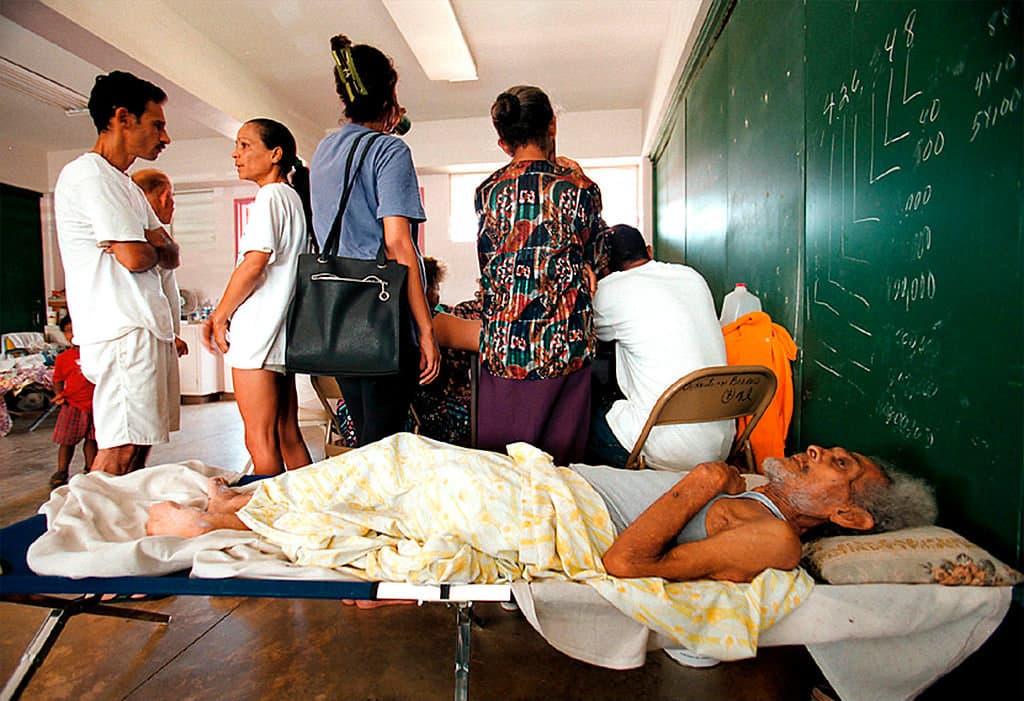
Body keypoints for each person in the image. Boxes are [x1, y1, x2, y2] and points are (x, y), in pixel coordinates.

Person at [146, 443, 936, 586]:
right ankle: (247, 504)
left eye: (839, 465)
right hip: (554, 491)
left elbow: (627, 564)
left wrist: (697, 484)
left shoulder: (775, 540)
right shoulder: (765, 498)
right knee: (400, 465)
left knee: (401, 463)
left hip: (563, 522)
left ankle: (228, 517)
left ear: (852, 518)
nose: (819, 449)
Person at [309, 34, 440, 447]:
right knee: (386, 445)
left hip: (337, 312)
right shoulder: (389, 150)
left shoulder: (325, 150)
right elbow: (398, 246)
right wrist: (426, 330)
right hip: (381, 313)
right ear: (390, 95)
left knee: (365, 437)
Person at [54, 70, 179, 476]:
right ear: (123, 118)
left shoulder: (124, 184)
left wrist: (151, 244)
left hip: (142, 327)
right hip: (120, 328)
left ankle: (113, 528)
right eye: (157, 125)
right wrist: (147, 245)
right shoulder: (88, 174)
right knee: (119, 448)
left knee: (140, 446)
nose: (165, 138)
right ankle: (84, 535)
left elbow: (169, 253)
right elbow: (133, 258)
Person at [474, 85, 606, 464]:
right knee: (560, 472)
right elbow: (597, 255)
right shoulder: (579, 188)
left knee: (503, 470)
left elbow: (489, 264)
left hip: (504, 345)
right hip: (563, 346)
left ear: (503, 143)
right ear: (552, 125)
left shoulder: (487, 192)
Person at [201, 119, 312, 475]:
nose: (236, 153)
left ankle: (269, 522)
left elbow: (254, 264)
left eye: (245, 145)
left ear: (275, 154)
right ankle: (308, 514)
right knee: (286, 434)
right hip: (279, 335)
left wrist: (219, 315)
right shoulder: (291, 198)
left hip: (257, 335)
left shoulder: (268, 197)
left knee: (259, 439)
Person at [586, 224, 733, 470]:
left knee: (580, 419)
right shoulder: (692, 276)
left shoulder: (609, 290)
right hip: (722, 443)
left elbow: (593, 333)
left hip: (669, 450)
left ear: (605, 266)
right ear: (650, 251)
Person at [131, 168, 189, 435]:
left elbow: (172, 258)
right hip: (143, 338)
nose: (173, 205)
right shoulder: (134, 235)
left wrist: (171, 335)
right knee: (136, 432)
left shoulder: (155, 234)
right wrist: (167, 334)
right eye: (172, 197)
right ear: (164, 196)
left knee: (151, 428)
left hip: (160, 336)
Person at [48, 316, 98, 488]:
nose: (73, 334)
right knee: (67, 441)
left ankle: (92, 469)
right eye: (68, 331)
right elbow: (57, 379)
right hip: (72, 405)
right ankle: (62, 470)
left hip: (96, 405)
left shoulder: (97, 354)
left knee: (93, 440)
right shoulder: (63, 358)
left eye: (76, 330)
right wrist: (58, 394)